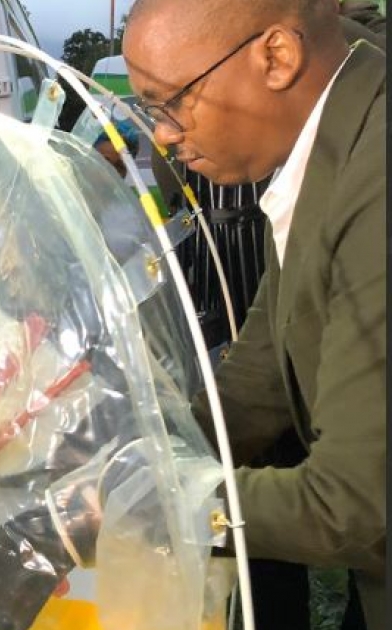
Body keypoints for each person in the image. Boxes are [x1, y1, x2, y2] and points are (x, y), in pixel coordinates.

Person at [122, 1, 385, 629]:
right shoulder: (321, 148)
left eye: (171, 102)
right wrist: (141, 454)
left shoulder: (375, 176)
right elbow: (263, 365)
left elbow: (352, 506)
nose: (163, 135)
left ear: (276, 57)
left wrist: (139, 510)